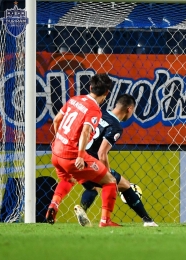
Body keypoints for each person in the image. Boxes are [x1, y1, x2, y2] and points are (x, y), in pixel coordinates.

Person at [46, 73, 120, 227]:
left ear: (90, 87)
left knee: (68, 179)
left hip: (56, 152)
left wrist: (59, 140)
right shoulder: (94, 109)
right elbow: (86, 131)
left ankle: (54, 204)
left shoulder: (75, 99)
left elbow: (56, 120)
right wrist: (80, 156)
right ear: (107, 93)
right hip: (72, 156)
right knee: (110, 181)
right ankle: (105, 221)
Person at [73, 94, 158, 227]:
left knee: (92, 188)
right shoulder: (115, 126)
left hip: (77, 159)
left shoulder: (100, 112)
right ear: (129, 109)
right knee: (124, 185)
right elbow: (102, 153)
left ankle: (82, 209)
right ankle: (148, 220)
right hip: (91, 162)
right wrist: (107, 174)